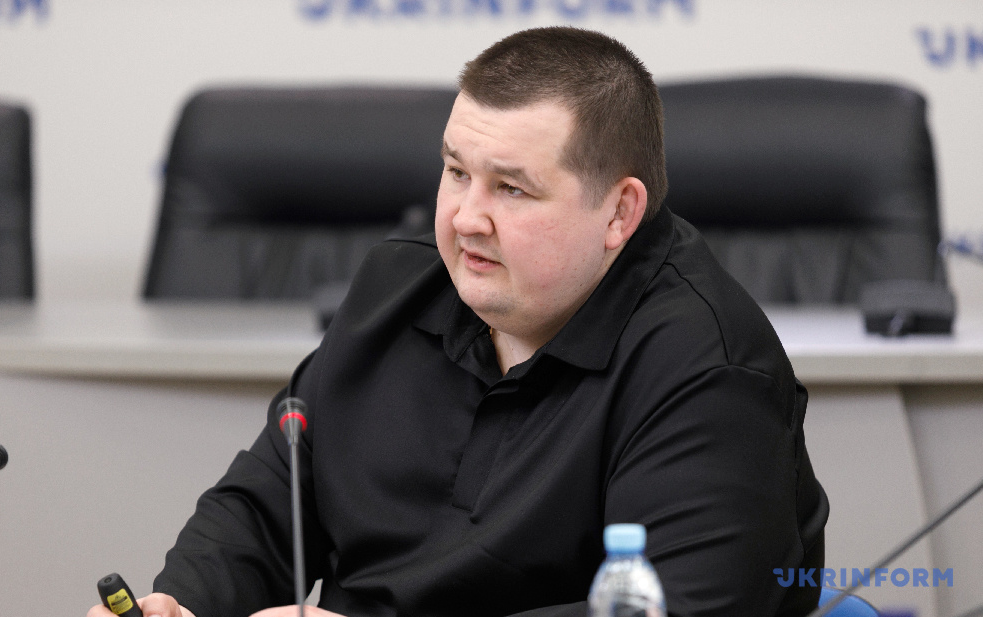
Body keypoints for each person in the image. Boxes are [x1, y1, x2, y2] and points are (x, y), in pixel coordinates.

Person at [89, 26, 827, 617]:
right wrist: (184, 601)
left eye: (511, 188)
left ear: (619, 212)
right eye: (456, 172)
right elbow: (268, 503)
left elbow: (679, 607)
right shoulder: (397, 285)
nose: (466, 218)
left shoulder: (708, 365)